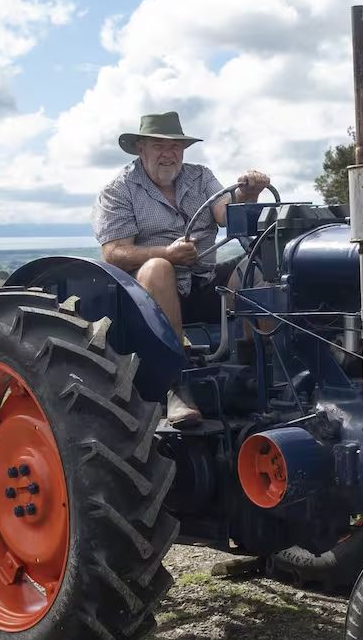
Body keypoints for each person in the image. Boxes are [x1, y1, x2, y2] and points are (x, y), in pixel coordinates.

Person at [92, 111, 271, 425]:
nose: (169, 154)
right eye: (159, 146)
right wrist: (167, 254)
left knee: (256, 266)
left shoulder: (200, 178)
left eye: (176, 146)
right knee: (157, 267)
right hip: (147, 298)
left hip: (203, 281)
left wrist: (248, 192)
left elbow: (226, 214)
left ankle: (259, 369)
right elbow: (114, 253)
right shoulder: (119, 191)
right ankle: (177, 385)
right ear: (140, 148)